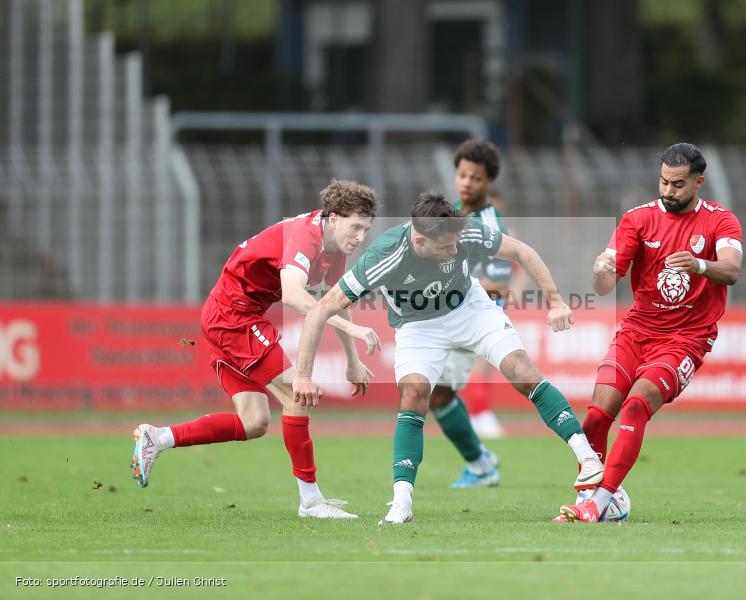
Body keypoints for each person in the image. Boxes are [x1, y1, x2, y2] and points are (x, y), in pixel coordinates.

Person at [292, 193, 604, 525]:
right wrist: (303, 374)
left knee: (522, 371)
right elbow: (321, 310)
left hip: (470, 308)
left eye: (456, 243)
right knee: (413, 396)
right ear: (420, 239)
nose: (455, 250)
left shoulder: (462, 231)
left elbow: (521, 251)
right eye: (445, 247)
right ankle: (401, 503)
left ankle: (588, 459)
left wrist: (555, 301)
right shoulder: (385, 255)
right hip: (418, 327)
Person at [131, 180, 382, 519]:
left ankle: (158, 438)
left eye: (365, 229)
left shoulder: (335, 247)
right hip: (233, 316)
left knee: (255, 422)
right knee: (298, 393)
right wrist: (352, 329)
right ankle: (310, 501)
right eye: (355, 227)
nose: (360, 237)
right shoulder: (306, 236)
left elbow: (334, 300)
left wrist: (352, 360)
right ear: (333, 218)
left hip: (231, 316)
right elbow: (294, 295)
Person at [558, 143, 743, 523]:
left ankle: (601, 502)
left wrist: (698, 264)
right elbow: (605, 285)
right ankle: (589, 497)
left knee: (637, 404)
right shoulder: (637, 220)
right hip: (637, 330)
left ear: (698, 182)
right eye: (663, 182)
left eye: (677, 184)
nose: (668, 191)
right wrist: (600, 269)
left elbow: (732, 270)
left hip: (686, 338)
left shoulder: (721, 222)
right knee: (596, 415)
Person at [431, 140, 513, 489]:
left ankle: (481, 464)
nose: (466, 182)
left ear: (489, 182)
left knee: (436, 393)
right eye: (462, 175)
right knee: (436, 392)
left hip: (471, 316)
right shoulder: (452, 214)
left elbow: (498, 283)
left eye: (475, 178)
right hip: (446, 312)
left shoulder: (489, 223)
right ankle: (480, 459)